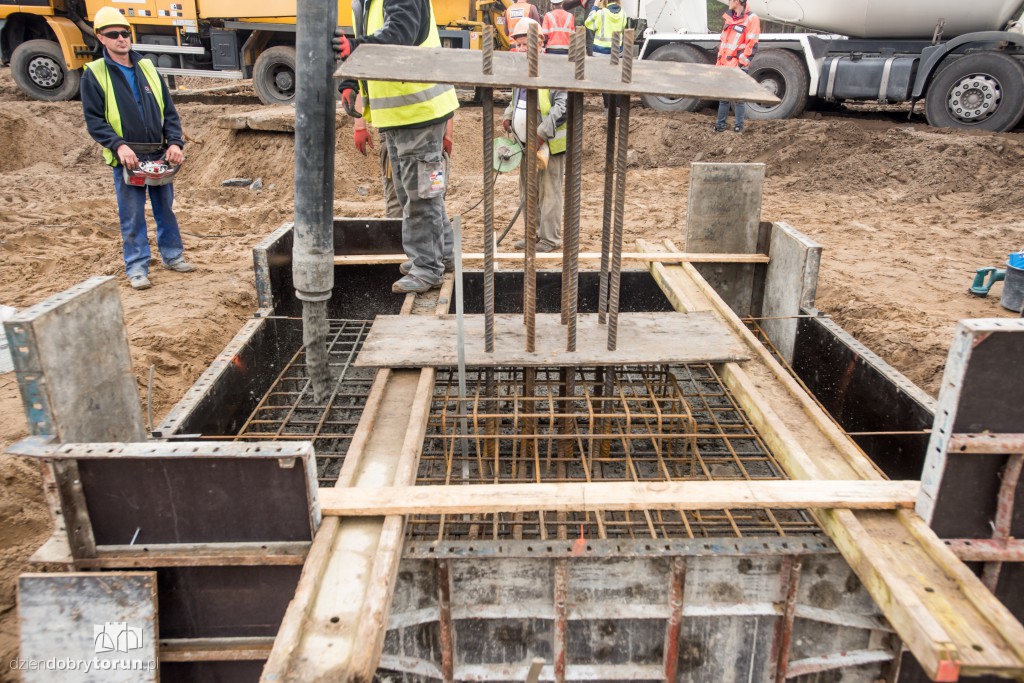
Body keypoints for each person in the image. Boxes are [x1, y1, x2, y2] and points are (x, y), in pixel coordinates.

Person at [335, 0, 459, 294]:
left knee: (420, 194)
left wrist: (355, 48)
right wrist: (351, 80)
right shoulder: (366, 2)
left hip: (419, 112)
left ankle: (427, 267)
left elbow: (400, 34)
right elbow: (372, 39)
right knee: (411, 192)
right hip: (397, 114)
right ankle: (442, 255)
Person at [81, 6, 194, 291]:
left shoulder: (146, 67)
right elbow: (94, 120)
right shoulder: (94, 74)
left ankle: (172, 255)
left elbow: (168, 111)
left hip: (157, 152)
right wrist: (118, 146)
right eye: (114, 34)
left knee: (165, 209)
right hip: (128, 158)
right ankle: (137, 266)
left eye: (125, 33)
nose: (121, 38)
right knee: (131, 213)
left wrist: (175, 142)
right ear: (101, 38)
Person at [502, 18, 567, 254]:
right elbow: (515, 99)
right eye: (518, 45)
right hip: (523, 143)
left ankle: (549, 239)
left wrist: (541, 132)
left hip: (548, 144)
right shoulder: (520, 71)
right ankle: (533, 235)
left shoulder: (552, 70)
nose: (521, 49)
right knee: (528, 191)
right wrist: (508, 115)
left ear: (540, 43)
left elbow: (563, 106)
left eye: (526, 44)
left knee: (549, 192)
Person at [715, 0, 760, 133]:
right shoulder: (728, 19)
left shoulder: (752, 18)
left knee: (739, 99)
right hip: (725, 65)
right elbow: (723, 44)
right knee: (723, 98)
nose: (728, 2)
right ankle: (720, 126)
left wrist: (741, 65)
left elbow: (752, 44)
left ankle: (738, 127)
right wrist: (718, 65)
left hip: (738, 66)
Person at [585, 0, 626, 109]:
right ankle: (617, 107)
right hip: (617, 52)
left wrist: (594, 7)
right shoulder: (623, 13)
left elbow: (588, 23)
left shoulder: (601, 13)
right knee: (616, 79)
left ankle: (608, 107)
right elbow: (623, 27)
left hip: (601, 52)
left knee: (604, 80)